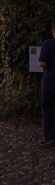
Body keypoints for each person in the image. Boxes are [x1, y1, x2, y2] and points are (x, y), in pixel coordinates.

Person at [39, 19, 55, 147]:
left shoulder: (48, 44)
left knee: (47, 108)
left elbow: (42, 63)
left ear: (53, 31)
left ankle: (50, 137)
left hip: (50, 82)